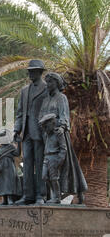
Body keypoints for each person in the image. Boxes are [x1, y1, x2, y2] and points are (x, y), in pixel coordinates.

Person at [39, 72, 88, 203]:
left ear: (57, 83)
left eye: (50, 82)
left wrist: (61, 127)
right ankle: (55, 196)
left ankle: (78, 191)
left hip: (60, 134)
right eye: (47, 82)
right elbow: (41, 116)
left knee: (68, 167)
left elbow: (64, 115)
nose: (48, 84)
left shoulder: (61, 98)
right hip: (47, 136)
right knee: (48, 173)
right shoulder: (45, 100)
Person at [13, 59, 48, 204]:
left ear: (40, 72)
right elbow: (20, 112)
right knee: (27, 163)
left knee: (40, 164)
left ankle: (41, 195)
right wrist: (17, 129)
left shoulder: (47, 88)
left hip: (40, 132)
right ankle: (27, 195)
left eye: (32, 71)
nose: (30, 73)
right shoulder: (24, 90)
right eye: (29, 71)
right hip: (26, 132)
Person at [39, 113, 67, 204]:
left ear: (52, 124)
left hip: (54, 157)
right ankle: (54, 195)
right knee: (44, 176)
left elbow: (63, 148)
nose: (44, 129)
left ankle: (57, 197)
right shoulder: (47, 134)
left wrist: (60, 160)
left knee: (54, 178)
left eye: (46, 126)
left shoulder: (58, 134)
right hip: (46, 157)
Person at [0, 129, 22, 205]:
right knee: (3, 183)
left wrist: (19, 143)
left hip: (9, 166)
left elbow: (17, 153)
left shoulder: (11, 147)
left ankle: (10, 198)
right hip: (2, 167)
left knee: (10, 182)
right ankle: (5, 199)